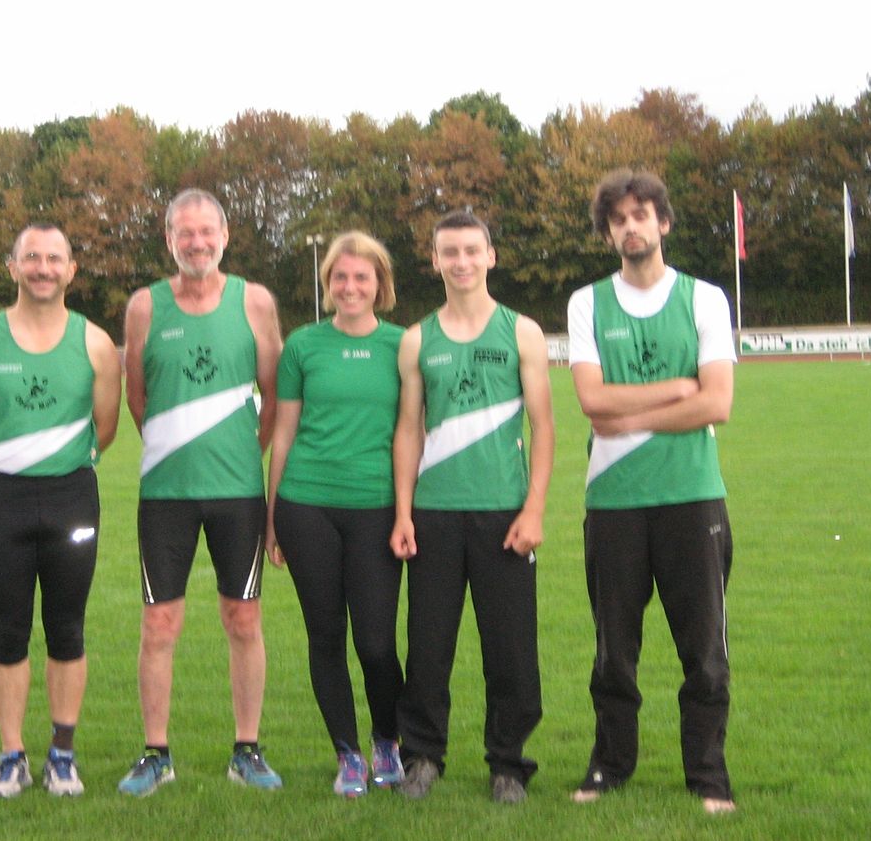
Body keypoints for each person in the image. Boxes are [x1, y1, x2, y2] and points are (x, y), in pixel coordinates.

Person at [566, 168, 738, 815]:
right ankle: (610, 765)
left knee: (705, 652)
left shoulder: (703, 299)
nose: (630, 226)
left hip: (692, 497)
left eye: (642, 215)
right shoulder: (588, 303)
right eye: (618, 219)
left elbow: (717, 401)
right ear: (609, 233)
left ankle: (709, 775)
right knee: (615, 653)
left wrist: (627, 415)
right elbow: (590, 400)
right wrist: (675, 388)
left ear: (663, 223)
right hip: (613, 502)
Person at [0, 223, 122, 798]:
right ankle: (12, 755)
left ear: (71, 271)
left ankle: (62, 756)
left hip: (72, 497)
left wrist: (53, 463)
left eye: (55, 259)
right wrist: (8, 461)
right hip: (1, 500)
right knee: (7, 630)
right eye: (32, 257)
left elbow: (107, 428)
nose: (43, 268)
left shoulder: (95, 343)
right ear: (12, 266)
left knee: (67, 628)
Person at [117, 188, 285, 797]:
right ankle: (156, 752)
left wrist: (242, 454)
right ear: (169, 240)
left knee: (243, 619)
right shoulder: (144, 307)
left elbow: (276, 396)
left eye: (206, 232)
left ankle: (247, 748)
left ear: (225, 236)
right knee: (159, 624)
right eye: (184, 234)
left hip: (237, 491)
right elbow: (137, 394)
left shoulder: (256, 302)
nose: (196, 243)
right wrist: (176, 446)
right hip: (166, 494)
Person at [389, 210, 554, 804]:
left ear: (491, 256)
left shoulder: (522, 332)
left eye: (471, 250)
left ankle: (509, 763)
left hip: (504, 514)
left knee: (510, 649)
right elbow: (408, 429)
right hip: (434, 514)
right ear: (434, 261)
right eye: (448, 252)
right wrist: (404, 512)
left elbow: (544, 426)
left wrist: (533, 509)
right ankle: (423, 756)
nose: (460, 261)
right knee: (428, 646)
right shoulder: (417, 339)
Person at [265, 231, 407, 798]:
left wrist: (406, 511)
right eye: (340, 277)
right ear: (327, 284)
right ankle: (348, 754)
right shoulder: (302, 346)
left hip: (376, 507)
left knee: (375, 642)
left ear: (380, 285)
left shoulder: (404, 345)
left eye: (362, 277)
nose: (350, 287)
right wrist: (273, 516)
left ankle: (387, 742)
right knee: (325, 635)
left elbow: (411, 431)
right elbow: (284, 430)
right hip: (306, 506)